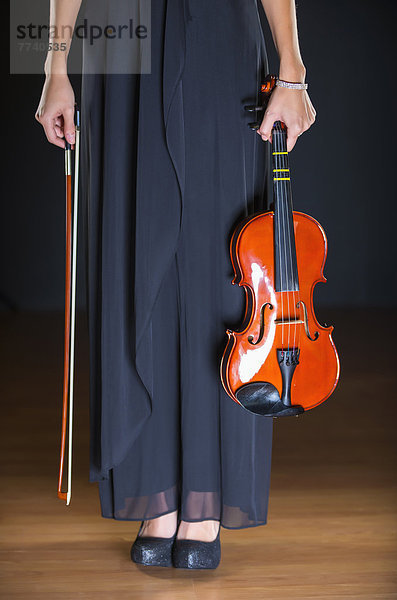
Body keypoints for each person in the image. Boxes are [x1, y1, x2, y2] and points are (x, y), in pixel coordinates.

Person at [35, 0, 315, 570]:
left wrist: (293, 73)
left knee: (223, 259)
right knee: (132, 253)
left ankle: (206, 496)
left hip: (220, 28)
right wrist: (53, 69)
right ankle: (153, 485)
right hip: (119, 30)